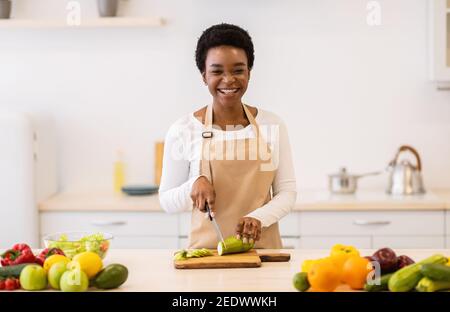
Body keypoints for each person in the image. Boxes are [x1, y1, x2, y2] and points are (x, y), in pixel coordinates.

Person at [159, 23, 297, 249]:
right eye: (217, 71)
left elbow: (287, 193)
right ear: (204, 76)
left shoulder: (272, 125)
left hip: (263, 255)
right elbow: (166, 201)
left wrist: (259, 218)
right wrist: (193, 184)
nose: (229, 80)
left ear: (249, 73)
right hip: (206, 258)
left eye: (238, 70)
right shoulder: (183, 130)